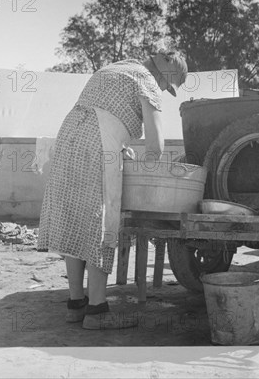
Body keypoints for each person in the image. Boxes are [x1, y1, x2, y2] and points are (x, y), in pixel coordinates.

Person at [38, 50, 188, 329]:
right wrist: (152, 180)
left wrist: (120, 149)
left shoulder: (112, 69)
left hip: (67, 139)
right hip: (96, 147)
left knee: (76, 220)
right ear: (165, 65)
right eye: (171, 83)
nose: (166, 89)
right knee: (101, 224)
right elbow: (156, 146)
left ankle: (76, 304)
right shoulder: (147, 80)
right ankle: (97, 311)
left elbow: (103, 116)